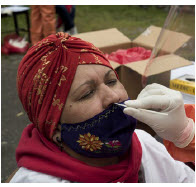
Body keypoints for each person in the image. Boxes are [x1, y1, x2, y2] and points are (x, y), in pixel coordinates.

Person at [9, 32, 194, 183]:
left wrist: (187, 136)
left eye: (112, 81)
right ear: (54, 127)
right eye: (87, 93)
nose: (113, 96)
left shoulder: (145, 144)